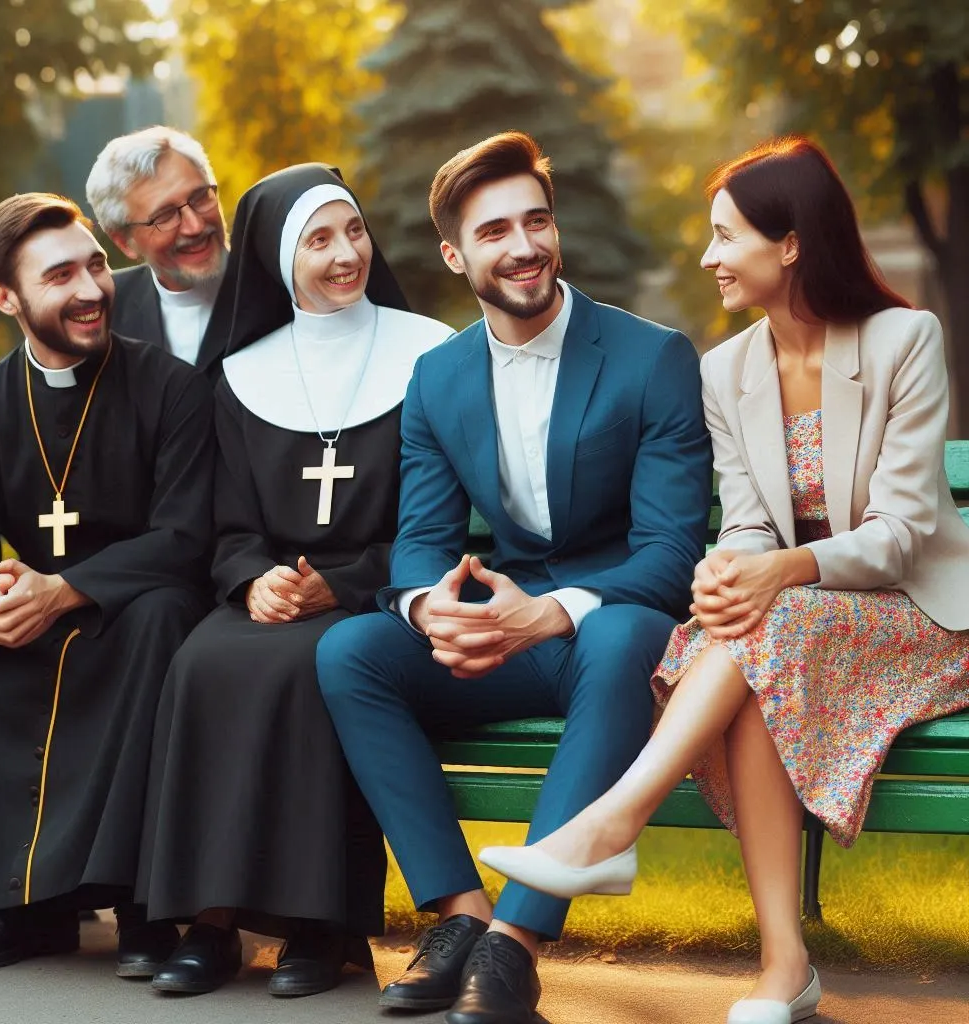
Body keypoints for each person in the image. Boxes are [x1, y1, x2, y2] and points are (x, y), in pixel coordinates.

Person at [478, 137, 969, 1024]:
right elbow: (745, 520)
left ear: (789, 243)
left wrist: (777, 571)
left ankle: (613, 824)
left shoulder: (905, 340)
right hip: (797, 623)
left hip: (920, 617)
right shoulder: (725, 370)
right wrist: (726, 569)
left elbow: (900, 536)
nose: (708, 258)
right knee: (745, 640)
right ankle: (783, 967)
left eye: (725, 236)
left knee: (765, 631)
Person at [315, 132, 712, 1024]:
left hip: (598, 628)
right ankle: (460, 916)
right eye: (495, 231)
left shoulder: (652, 359)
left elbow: (670, 553)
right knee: (351, 652)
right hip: (497, 628)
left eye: (537, 220)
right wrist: (431, 611)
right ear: (456, 254)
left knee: (623, 634)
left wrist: (554, 613)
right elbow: (420, 540)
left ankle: (514, 948)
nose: (524, 245)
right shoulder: (437, 377)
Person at [136, 164, 455, 998]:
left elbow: (433, 522)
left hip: (382, 592)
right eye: (319, 239)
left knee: (318, 664)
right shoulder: (243, 374)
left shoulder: (427, 353)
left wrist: (341, 585)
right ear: (280, 260)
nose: (346, 253)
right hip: (274, 592)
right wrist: (252, 582)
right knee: (204, 661)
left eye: (354, 231)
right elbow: (230, 525)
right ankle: (210, 921)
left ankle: (325, 928)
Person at [0, 193, 214, 975]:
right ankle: (19, 905)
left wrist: (65, 591)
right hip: (31, 608)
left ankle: (142, 902)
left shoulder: (171, 388)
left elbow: (185, 536)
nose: (94, 288)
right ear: (7, 297)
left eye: (96, 263)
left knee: (162, 617)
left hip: (136, 604)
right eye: (61, 274)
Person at [86, 126, 231, 378]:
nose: (194, 226)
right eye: (163, 217)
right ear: (124, 242)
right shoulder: (102, 312)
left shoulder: (282, 284)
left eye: (200, 197)